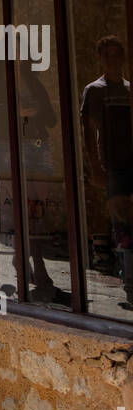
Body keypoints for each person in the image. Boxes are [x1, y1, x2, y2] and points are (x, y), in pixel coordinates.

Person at [81, 35, 133, 307]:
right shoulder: (95, 90)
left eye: (116, 54)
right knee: (123, 226)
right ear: (100, 59)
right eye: (107, 55)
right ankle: (130, 285)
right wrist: (96, 169)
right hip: (113, 166)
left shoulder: (129, 89)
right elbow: (88, 132)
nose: (112, 60)